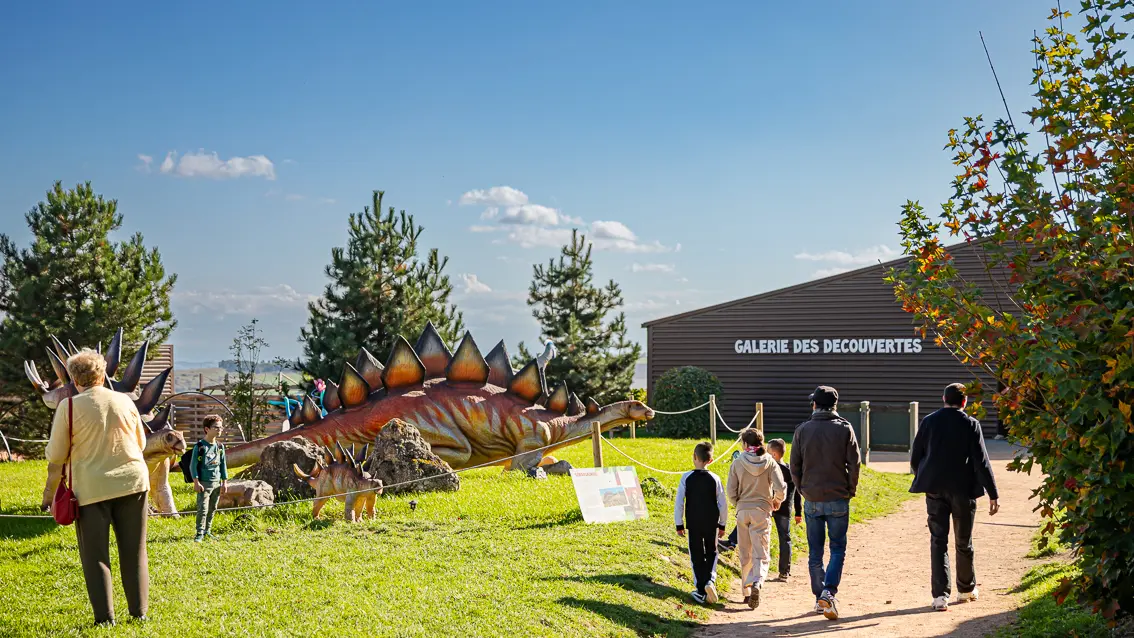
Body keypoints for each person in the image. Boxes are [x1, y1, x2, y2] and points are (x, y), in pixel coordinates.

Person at [43, 348, 150, 626]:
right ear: (102, 375)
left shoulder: (69, 407)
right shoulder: (125, 401)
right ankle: (139, 613)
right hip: (133, 482)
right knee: (134, 550)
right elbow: (141, 444)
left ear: (74, 379)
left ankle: (105, 619)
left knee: (95, 556)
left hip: (91, 488)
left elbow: (55, 455)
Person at [909, 383, 1000, 612]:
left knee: (938, 541)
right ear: (964, 402)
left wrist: (921, 474)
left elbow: (916, 455)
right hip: (963, 489)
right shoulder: (971, 424)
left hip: (935, 488)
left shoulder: (929, 421)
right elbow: (981, 461)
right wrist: (992, 493)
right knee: (964, 541)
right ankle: (966, 589)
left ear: (943, 399)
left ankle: (940, 596)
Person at [790, 385, 860, 621]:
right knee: (837, 548)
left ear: (814, 405)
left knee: (815, 552)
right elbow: (855, 463)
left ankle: (819, 596)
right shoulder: (845, 428)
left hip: (812, 497)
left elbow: (795, 466)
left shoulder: (802, 430)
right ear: (835, 405)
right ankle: (829, 591)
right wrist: (850, 488)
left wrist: (802, 490)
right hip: (838, 496)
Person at [726, 428, 786, 610]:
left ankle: (746, 591)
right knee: (761, 554)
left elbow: (731, 491)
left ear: (745, 444)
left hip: (743, 511)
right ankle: (758, 583)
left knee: (745, 553)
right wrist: (776, 501)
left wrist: (738, 503)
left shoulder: (737, 463)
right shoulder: (770, 462)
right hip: (762, 511)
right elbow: (781, 487)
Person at [674, 442, 727, 604]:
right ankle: (710, 581)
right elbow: (722, 504)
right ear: (710, 460)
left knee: (696, 554)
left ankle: (700, 590)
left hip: (693, 523)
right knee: (711, 552)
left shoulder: (686, 477)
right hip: (711, 523)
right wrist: (722, 524)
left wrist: (679, 523)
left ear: (694, 457)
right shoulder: (715, 478)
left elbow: (679, 502)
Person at [766, 438, 802, 582]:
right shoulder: (790, 470)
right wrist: (798, 512)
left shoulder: (769, 468)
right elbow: (798, 493)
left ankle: (732, 542)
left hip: (769, 505)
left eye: (768, 452)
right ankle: (784, 571)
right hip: (785, 509)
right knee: (785, 538)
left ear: (774, 454)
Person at [189, 415, 229, 542]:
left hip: (216, 483)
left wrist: (224, 482)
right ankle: (199, 533)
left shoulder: (220, 447)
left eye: (221, 427)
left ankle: (208, 530)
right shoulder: (200, 447)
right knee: (203, 508)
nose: (219, 430)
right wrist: (196, 482)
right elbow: (193, 465)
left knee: (213, 507)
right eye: (216, 427)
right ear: (207, 429)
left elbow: (223, 464)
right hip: (204, 483)